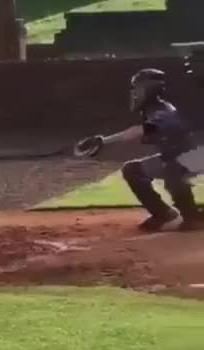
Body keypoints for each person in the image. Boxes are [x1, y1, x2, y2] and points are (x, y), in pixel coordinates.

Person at [75, 69, 203, 232]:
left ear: (150, 90)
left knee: (173, 169)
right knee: (133, 170)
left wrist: (104, 141)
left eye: (138, 88)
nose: (134, 93)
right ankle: (163, 214)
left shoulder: (163, 110)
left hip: (196, 156)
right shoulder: (151, 111)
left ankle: (192, 217)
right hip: (178, 157)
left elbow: (139, 130)